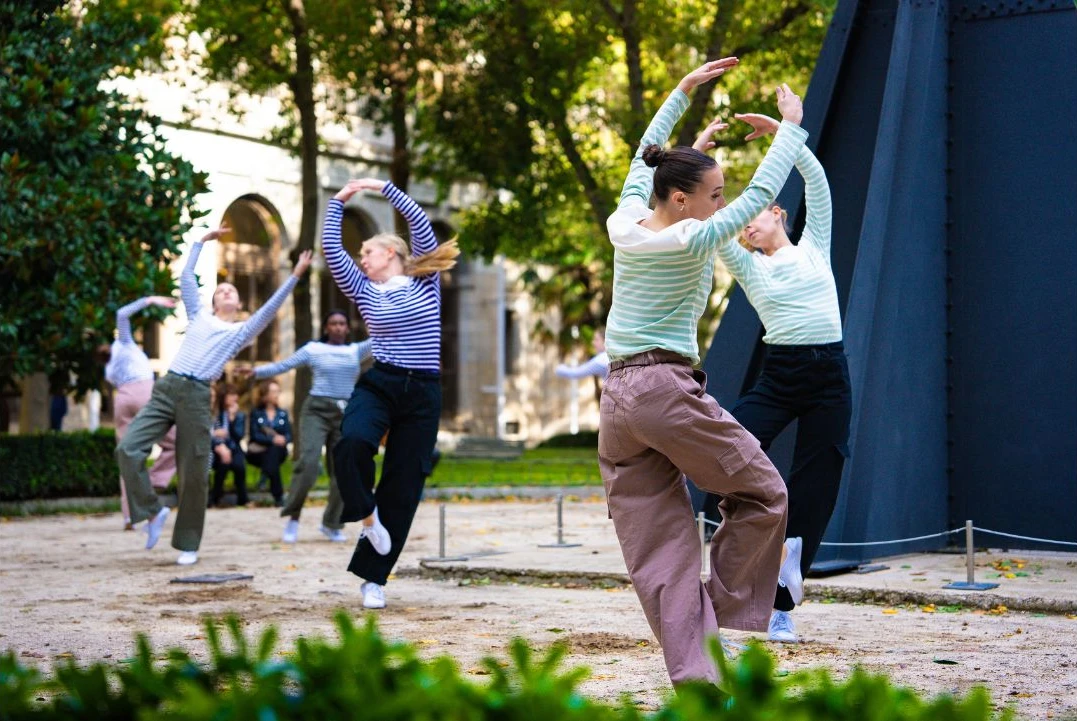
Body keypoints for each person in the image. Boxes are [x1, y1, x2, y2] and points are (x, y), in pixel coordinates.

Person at [600, 57, 808, 686]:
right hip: (665, 390)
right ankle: (715, 616)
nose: (725, 205)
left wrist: (683, 95)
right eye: (713, 195)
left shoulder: (626, 222)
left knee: (660, 554)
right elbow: (750, 200)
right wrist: (791, 129)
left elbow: (644, 163)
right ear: (685, 201)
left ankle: (700, 685)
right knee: (764, 494)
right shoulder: (690, 238)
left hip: (618, 403)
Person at [689, 111, 851, 644]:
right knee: (729, 451)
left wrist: (786, 134)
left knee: (818, 480)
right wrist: (700, 163)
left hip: (829, 373)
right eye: (741, 225)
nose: (746, 227)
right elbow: (711, 228)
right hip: (780, 374)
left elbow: (819, 184)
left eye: (753, 218)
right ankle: (735, 551)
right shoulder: (749, 264)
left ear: (777, 213)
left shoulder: (814, 247)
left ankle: (782, 605)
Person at [116, 225, 312, 566]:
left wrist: (294, 276)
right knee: (128, 447)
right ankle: (151, 511)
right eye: (220, 289)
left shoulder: (240, 332)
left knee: (193, 470)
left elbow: (268, 310)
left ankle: (188, 542)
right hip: (167, 388)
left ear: (237, 303)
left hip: (195, 395)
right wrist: (200, 242)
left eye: (230, 290)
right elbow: (187, 279)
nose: (224, 292)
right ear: (213, 300)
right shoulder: (199, 315)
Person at [323, 176, 459, 610]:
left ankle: (372, 580)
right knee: (352, 443)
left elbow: (420, 225)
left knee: (403, 483)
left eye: (367, 251)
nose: (360, 258)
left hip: (422, 392)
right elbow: (331, 250)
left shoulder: (425, 282)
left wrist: (384, 187)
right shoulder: (364, 290)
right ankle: (366, 518)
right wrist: (338, 202)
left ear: (391, 254)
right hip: (380, 382)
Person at [244, 310, 373, 544]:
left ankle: (332, 523)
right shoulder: (313, 349)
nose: (338, 327)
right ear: (326, 328)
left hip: (345, 413)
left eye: (342, 323)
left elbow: (385, 338)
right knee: (309, 463)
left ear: (347, 328)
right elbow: (284, 365)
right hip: (316, 411)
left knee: (344, 471)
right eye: (333, 323)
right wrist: (256, 372)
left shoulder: (356, 351)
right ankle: (293, 517)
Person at [100, 295, 179, 529]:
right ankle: (154, 481)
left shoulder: (109, 369)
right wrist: (150, 299)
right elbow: (122, 314)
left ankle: (129, 516)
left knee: (127, 454)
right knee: (175, 441)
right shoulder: (123, 344)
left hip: (122, 399)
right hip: (144, 392)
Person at [246, 379, 292, 508]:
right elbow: (254, 435)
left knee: (274, 451)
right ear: (264, 394)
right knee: (272, 452)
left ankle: (265, 475)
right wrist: (273, 440)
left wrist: (283, 440)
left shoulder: (283, 413)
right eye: (273, 391)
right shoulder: (256, 413)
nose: (276, 394)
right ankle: (278, 497)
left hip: (279, 452)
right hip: (258, 452)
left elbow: (289, 435)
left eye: (278, 391)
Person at [209, 383, 249, 508]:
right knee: (223, 464)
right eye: (231, 395)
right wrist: (217, 438)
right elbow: (211, 433)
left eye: (235, 395)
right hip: (216, 448)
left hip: (234, 447)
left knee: (239, 466)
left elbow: (238, 436)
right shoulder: (216, 413)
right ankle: (216, 497)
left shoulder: (239, 415)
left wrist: (232, 419)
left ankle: (243, 499)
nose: (235, 398)